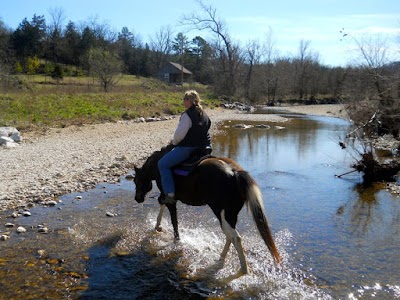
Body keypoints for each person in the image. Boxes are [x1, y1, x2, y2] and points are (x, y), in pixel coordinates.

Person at [158, 90, 211, 204]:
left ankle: (170, 194)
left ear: (189, 101)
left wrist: (174, 143)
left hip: (188, 148)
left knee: (162, 164)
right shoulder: (205, 114)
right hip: (205, 148)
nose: (183, 101)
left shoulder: (187, 115)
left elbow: (179, 135)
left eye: (184, 99)